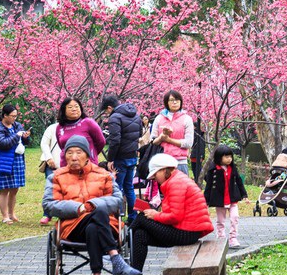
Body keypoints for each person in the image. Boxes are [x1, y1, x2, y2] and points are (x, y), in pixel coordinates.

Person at [42, 135, 141, 275]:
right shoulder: (57, 176)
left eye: (79, 152)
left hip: (107, 227)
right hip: (73, 227)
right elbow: (49, 205)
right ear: (65, 155)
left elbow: (117, 201)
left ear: (88, 155)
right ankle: (115, 258)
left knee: (95, 222)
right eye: (69, 153)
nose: (74, 157)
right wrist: (78, 208)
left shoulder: (103, 174)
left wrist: (92, 205)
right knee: (98, 213)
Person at [128, 153, 213, 275]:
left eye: (155, 175)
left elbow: (175, 217)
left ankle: (119, 247)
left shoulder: (176, 183)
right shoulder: (176, 180)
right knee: (140, 235)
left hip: (186, 232)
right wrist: (156, 214)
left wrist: (155, 215)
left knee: (142, 218)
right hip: (185, 230)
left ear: (163, 169)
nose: (155, 179)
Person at [101, 95, 142, 224]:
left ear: (109, 107)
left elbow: (115, 141)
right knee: (129, 187)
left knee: (116, 188)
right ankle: (133, 218)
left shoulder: (114, 117)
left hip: (120, 158)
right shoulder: (136, 115)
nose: (107, 114)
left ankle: (115, 219)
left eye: (106, 111)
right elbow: (139, 134)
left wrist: (110, 159)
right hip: (132, 157)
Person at [0, 104, 31, 224]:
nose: (14, 118)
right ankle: (5, 216)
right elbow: (2, 144)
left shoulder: (17, 125)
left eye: (16, 116)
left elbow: (24, 142)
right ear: (5, 115)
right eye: (12, 116)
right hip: (4, 161)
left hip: (17, 160)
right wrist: (16, 136)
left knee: (14, 189)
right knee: (4, 189)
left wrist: (25, 137)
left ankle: (12, 214)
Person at [203, 145, 249, 249]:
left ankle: (233, 238)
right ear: (219, 157)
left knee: (235, 218)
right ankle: (221, 237)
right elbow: (208, 186)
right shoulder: (213, 169)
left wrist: (244, 195)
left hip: (232, 199)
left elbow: (239, 181)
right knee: (220, 220)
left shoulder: (232, 168)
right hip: (220, 200)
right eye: (226, 157)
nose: (229, 159)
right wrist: (206, 201)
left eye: (230, 157)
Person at [151, 90, 194, 175]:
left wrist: (169, 140)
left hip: (180, 161)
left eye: (177, 100)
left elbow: (189, 143)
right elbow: (152, 141)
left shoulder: (187, 119)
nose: (175, 102)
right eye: (171, 100)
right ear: (166, 102)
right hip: (162, 161)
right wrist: (161, 137)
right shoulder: (159, 118)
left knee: (180, 188)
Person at [55, 97, 106, 166]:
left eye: (76, 106)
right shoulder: (60, 127)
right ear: (64, 110)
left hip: (88, 165)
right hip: (67, 165)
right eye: (70, 107)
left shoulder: (88, 122)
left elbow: (101, 142)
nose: (74, 109)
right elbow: (62, 146)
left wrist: (91, 154)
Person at [38, 121, 62, 225]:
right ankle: (47, 214)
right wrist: (48, 157)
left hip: (70, 164)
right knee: (51, 189)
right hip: (52, 164)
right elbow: (44, 143)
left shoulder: (76, 127)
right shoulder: (53, 128)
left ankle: (64, 214)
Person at [190, 116, 206, 183]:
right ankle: (199, 181)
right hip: (201, 155)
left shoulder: (194, 133)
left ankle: (198, 181)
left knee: (195, 169)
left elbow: (191, 143)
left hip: (195, 154)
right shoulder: (202, 134)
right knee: (199, 169)